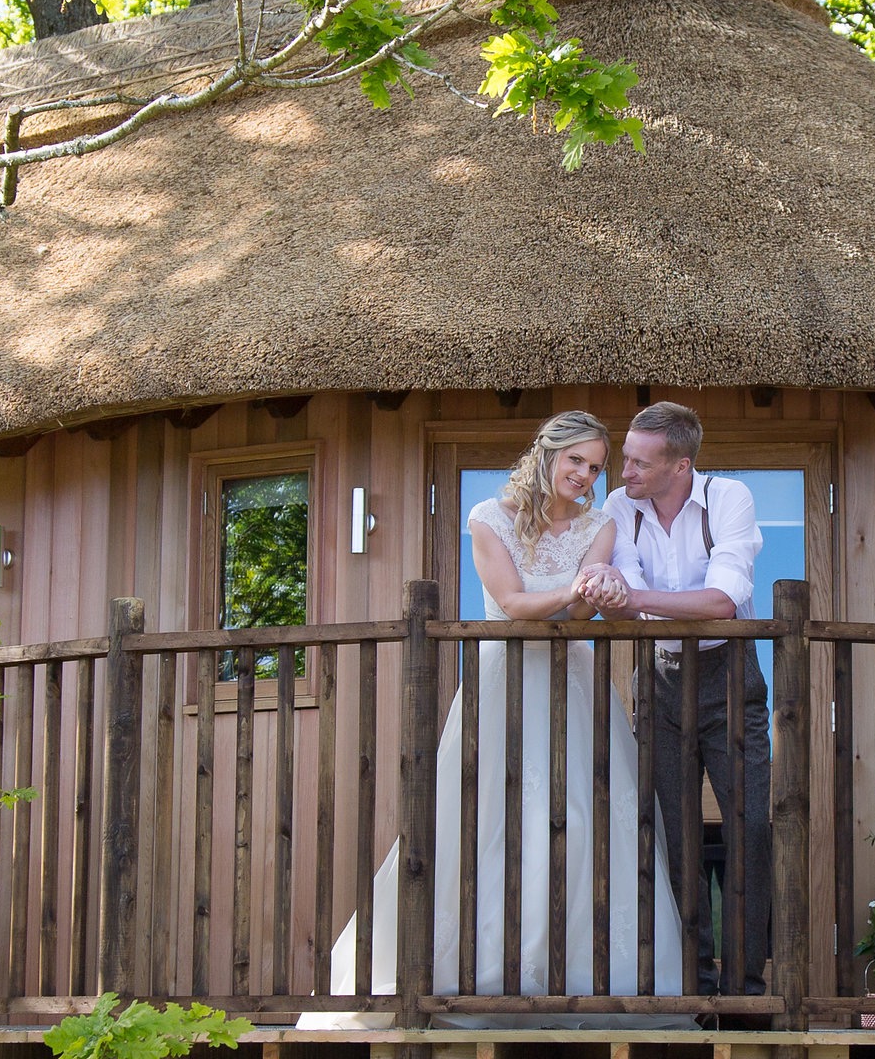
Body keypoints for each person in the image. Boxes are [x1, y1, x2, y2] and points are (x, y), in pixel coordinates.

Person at [318, 410, 686, 1013]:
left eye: (596, 467)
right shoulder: (488, 518)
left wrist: (597, 592)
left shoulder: (599, 526)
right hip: (503, 681)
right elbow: (512, 602)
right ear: (547, 453)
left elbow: (580, 616)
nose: (585, 475)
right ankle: (478, 966)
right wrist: (575, 588)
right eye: (576, 460)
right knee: (487, 815)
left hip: (570, 681)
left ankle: (587, 971)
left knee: (584, 817)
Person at [578, 401, 771, 994]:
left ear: (680, 466)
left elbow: (722, 601)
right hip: (659, 677)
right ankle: (695, 983)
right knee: (674, 834)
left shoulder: (729, 498)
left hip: (729, 673)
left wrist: (635, 598)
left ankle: (746, 986)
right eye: (625, 458)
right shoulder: (620, 507)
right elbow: (625, 602)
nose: (624, 471)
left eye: (639, 462)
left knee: (750, 830)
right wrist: (622, 597)